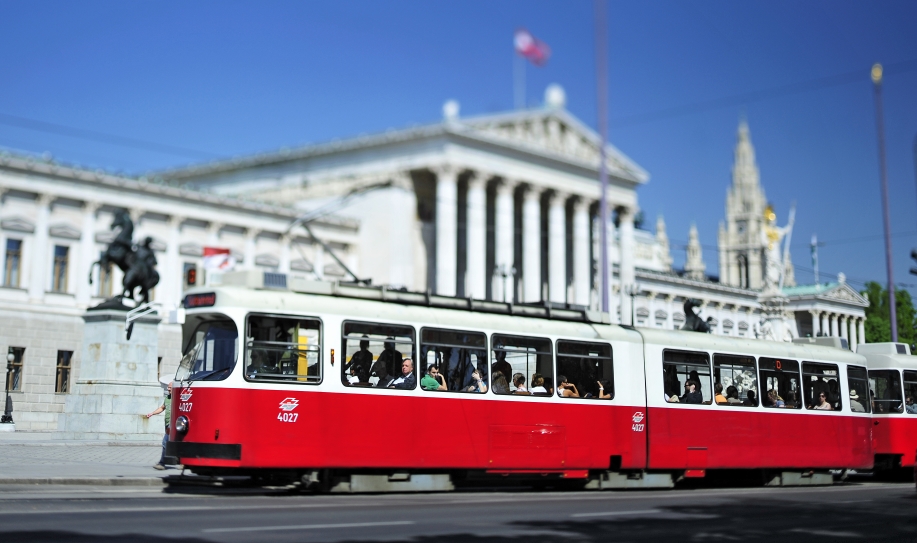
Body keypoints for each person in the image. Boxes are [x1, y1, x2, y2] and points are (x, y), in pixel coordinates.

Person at [146, 382, 173, 470]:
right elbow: (162, 408)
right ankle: (180, 462)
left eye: (170, 387)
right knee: (172, 443)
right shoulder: (168, 398)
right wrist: (152, 413)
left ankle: (162, 463)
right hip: (167, 423)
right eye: (168, 387)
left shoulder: (178, 398)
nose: (168, 389)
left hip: (173, 424)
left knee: (165, 442)